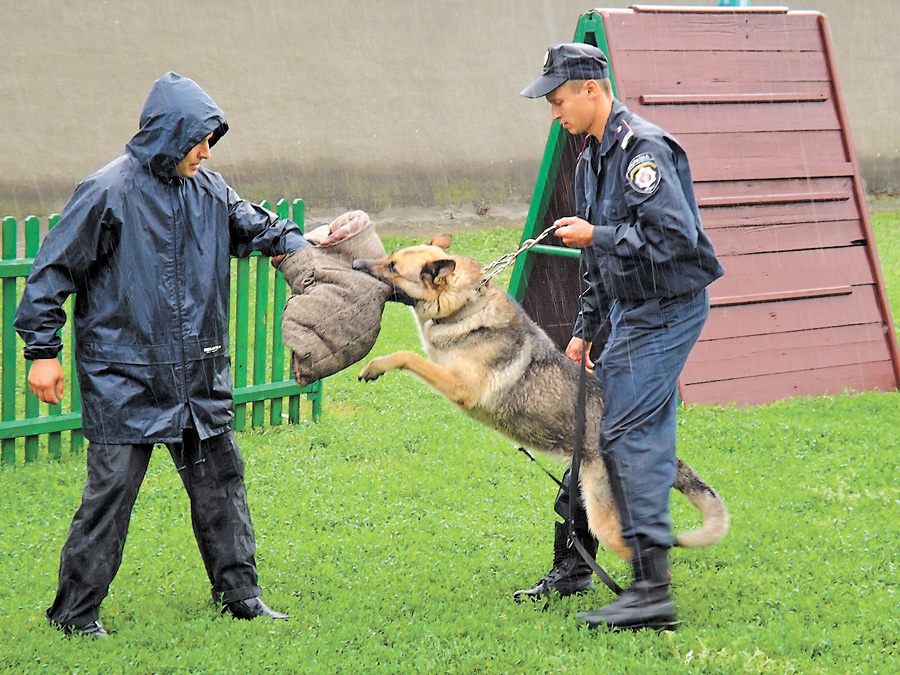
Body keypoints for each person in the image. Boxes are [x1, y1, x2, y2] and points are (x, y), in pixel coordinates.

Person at [15, 72, 308, 637]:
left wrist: (301, 244)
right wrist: (42, 351)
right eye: (198, 139)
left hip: (197, 375)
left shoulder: (210, 190)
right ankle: (74, 616)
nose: (205, 151)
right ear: (169, 135)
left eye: (210, 140)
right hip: (125, 379)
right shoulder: (106, 191)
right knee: (110, 497)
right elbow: (51, 272)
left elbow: (257, 225)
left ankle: (241, 597)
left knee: (222, 487)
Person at [517, 44, 724, 630]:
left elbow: (675, 239)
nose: (554, 113)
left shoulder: (643, 150)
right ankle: (585, 567)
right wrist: (584, 331)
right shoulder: (589, 160)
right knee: (605, 425)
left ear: (590, 87)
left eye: (558, 100)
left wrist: (598, 234)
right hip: (633, 309)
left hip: (669, 307)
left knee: (624, 432)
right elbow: (598, 261)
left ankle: (651, 595)